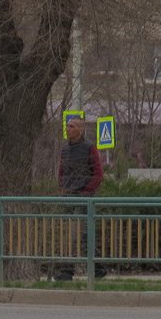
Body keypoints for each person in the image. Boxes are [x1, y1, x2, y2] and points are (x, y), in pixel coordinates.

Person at [55, 117, 104, 280]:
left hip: (84, 198)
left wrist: (86, 192)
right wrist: (63, 188)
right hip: (68, 197)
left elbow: (98, 174)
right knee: (67, 235)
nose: (68, 129)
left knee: (83, 235)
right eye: (67, 126)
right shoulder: (65, 150)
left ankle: (98, 268)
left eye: (72, 126)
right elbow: (61, 172)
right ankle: (66, 271)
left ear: (81, 130)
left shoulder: (90, 148)